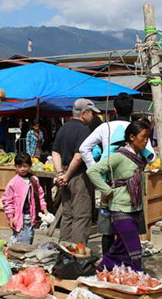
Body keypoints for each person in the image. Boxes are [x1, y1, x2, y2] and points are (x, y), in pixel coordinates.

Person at [80, 92, 155, 256]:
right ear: (132, 110)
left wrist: (99, 168)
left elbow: (83, 149)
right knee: (129, 230)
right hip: (131, 188)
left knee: (107, 230)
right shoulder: (138, 130)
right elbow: (150, 156)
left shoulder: (104, 127)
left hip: (109, 185)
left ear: (114, 109)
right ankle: (124, 265)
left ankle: (109, 265)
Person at [86, 120, 152, 271]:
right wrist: (107, 190)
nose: (146, 140)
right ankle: (139, 274)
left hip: (135, 208)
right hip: (120, 208)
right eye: (143, 136)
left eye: (148, 137)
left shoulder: (141, 156)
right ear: (132, 137)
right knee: (134, 249)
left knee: (119, 249)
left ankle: (102, 269)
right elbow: (92, 171)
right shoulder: (118, 156)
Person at [53, 98, 99, 244]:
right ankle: (77, 257)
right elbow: (79, 156)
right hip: (78, 176)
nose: (93, 117)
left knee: (67, 215)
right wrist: (67, 175)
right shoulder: (84, 130)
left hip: (65, 174)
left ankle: (64, 251)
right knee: (81, 216)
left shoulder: (64, 128)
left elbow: (55, 152)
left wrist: (61, 173)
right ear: (84, 113)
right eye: (92, 113)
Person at [3, 152, 49, 244]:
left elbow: (40, 195)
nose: (22, 169)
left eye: (25, 166)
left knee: (29, 237)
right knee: (22, 241)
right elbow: (7, 201)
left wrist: (45, 210)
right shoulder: (13, 182)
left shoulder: (34, 180)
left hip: (31, 216)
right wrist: (10, 217)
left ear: (30, 166)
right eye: (19, 166)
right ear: (15, 167)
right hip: (18, 217)